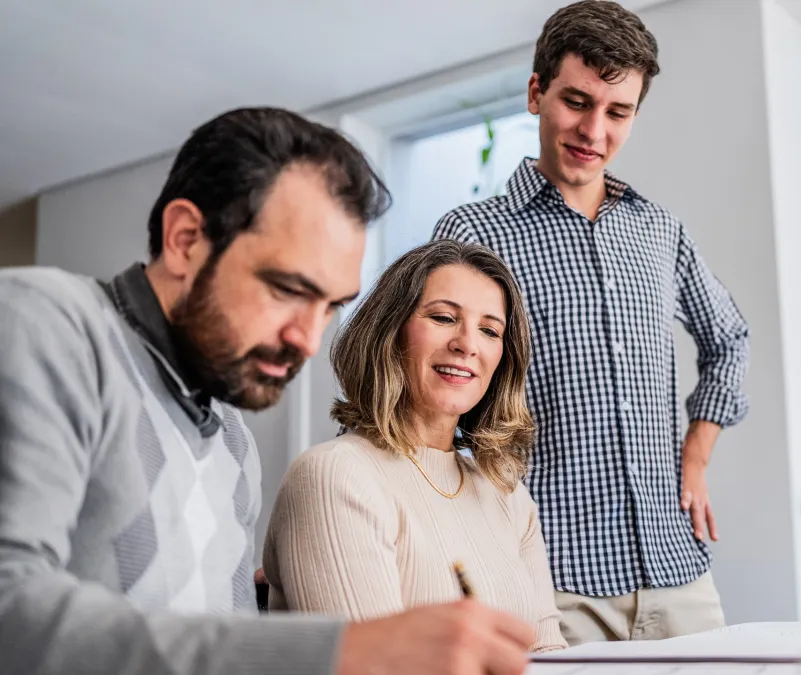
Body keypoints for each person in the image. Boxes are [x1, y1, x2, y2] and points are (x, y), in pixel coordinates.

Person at [0, 107, 534, 675]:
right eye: (287, 289)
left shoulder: (233, 442)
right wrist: (338, 649)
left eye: (329, 306)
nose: (308, 339)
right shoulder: (45, 325)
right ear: (185, 240)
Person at [432, 0, 749, 643]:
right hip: (551, 580)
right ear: (536, 94)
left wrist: (695, 458)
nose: (593, 130)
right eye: (576, 102)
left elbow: (730, 339)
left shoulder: (659, 231)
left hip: (678, 572)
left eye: (617, 112)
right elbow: (424, 387)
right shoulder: (472, 234)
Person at [262, 240, 568, 652]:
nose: (467, 344)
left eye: (489, 330)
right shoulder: (334, 475)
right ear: (389, 331)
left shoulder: (507, 495)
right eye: (443, 317)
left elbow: (548, 654)